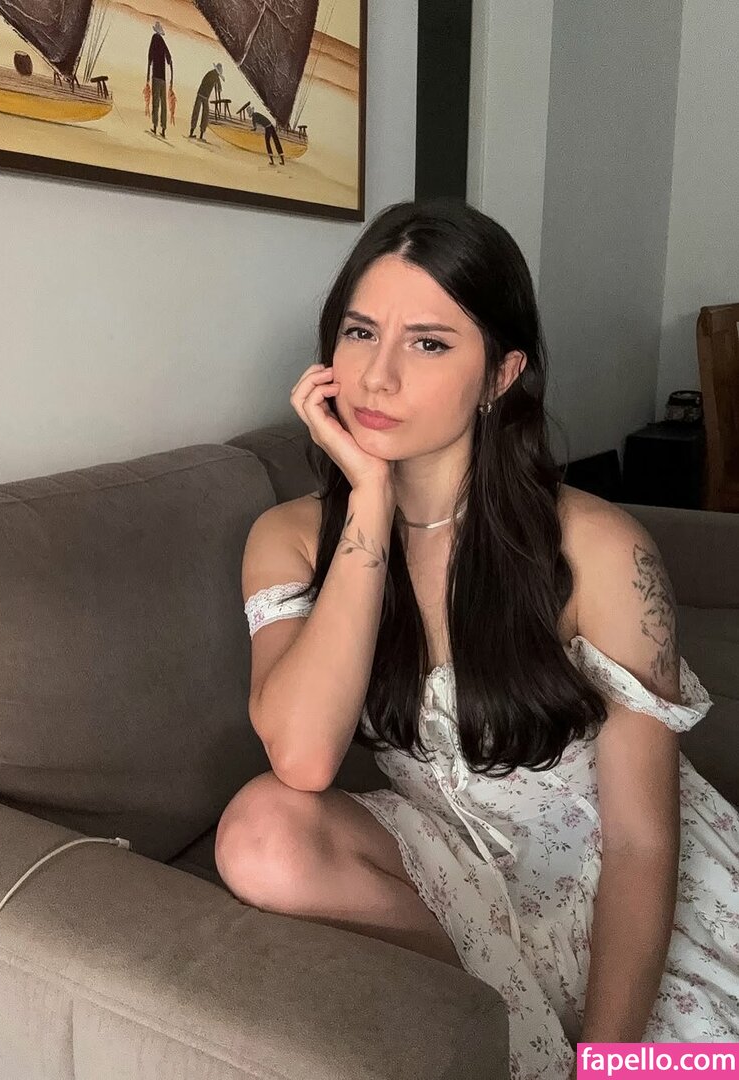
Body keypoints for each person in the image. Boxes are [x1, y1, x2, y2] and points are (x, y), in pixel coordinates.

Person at [214, 199, 739, 1079]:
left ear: (500, 375)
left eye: (428, 343)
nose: (377, 377)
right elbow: (302, 758)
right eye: (359, 332)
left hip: (618, 892)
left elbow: (642, 842)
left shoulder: (599, 548)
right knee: (259, 833)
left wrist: (609, 1064)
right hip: (453, 878)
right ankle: (517, 1038)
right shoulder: (291, 538)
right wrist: (369, 502)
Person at [145, 21, 173, 137]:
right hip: (163, 79)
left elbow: (149, 58)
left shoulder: (154, 39)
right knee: (163, 104)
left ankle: (155, 127)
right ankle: (163, 129)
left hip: (156, 77)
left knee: (156, 103)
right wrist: (172, 79)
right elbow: (170, 59)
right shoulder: (162, 41)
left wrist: (147, 76)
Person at [189, 62, 223, 141]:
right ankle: (200, 134)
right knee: (204, 114)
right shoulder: (215, 76)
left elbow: (218, 87)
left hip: (201, 94)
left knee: (197, 112)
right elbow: (219, 89)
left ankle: (193, 132)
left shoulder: (211, 73)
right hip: (204, 96)